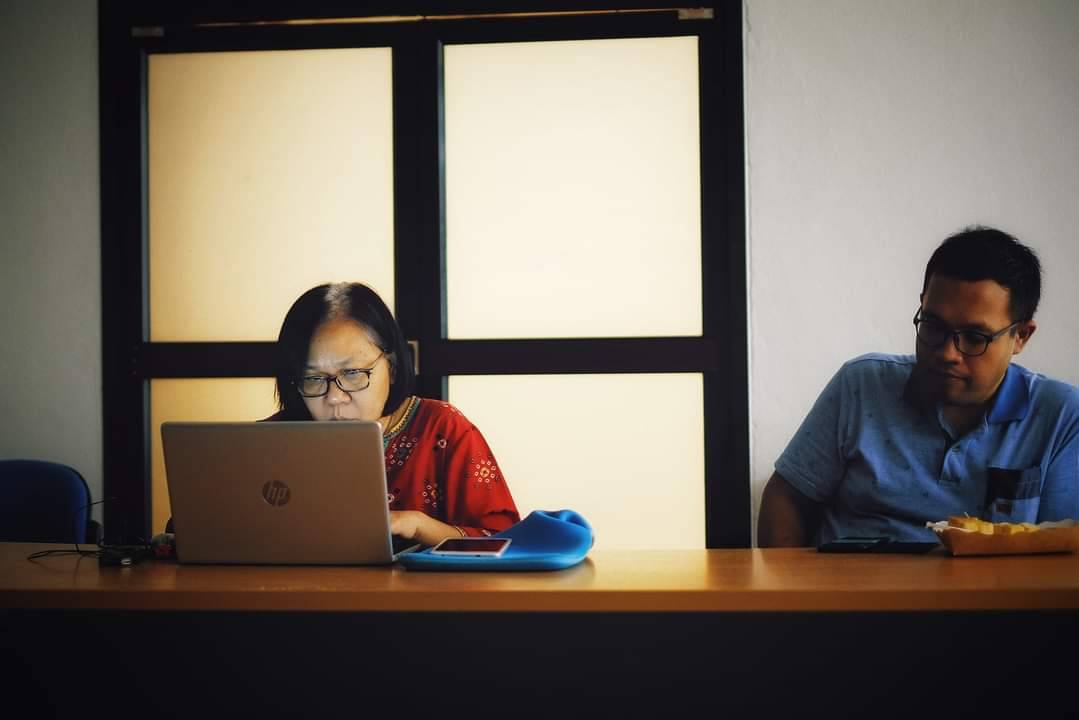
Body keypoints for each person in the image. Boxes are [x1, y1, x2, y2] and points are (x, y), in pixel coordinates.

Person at [758, 226, 1079, 547]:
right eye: (933, 326)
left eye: (974, 338)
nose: (947, 353)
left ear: (1021, 336)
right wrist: (790, 577)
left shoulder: (1061, 417)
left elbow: (1062, 548)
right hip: (851, 577)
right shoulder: (862, 386)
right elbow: (788, 498)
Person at [267, 281, 520, 546]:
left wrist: (419, 526)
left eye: (352, 373)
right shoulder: (271, 441)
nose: (334, 397)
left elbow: (503, 541)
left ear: (393, 367)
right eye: (313, 378)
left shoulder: (443, 428)